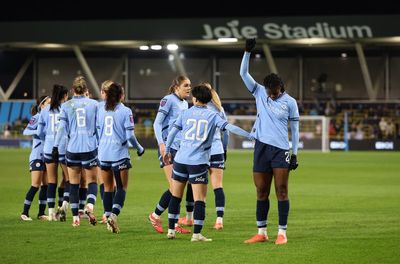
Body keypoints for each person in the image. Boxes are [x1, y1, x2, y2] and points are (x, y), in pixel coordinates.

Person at [163, 84, 252, 242]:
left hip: (180, 159)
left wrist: (168, 150)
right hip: (197, 162)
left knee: (176, 196)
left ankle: (170, 230)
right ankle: (196, 234)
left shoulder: (185, 113)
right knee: (200, 199)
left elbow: (172, 133)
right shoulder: (212, 116)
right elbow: (229, 128)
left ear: (194, 98)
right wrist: (250, 135)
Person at [240, 38, 299, 245]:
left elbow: (295, 128)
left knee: (281, 190)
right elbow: (243, 74)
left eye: (273, 92)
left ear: (280, 88)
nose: (270, 95)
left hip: (281, 149)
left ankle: (282, 232)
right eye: (268, 92)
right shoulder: (259, 92)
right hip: (261, 148)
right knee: (261, 190)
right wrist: (247, 52)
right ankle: (262, 232)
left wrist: (294, 153)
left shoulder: (290, 102)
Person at [177, 82, 229, 230]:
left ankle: (189, 218)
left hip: (199, 152)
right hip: (217, 150)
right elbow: (227, 132)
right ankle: (219, 220)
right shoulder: (219, 109)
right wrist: (224, 150)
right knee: (218, 186)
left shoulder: (194, 109)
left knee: (191, 184)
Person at [97, 81, 145, 233]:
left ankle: (107, 218)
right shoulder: (125, 111)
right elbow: (130, 135)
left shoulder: (101, 110)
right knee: (122, 187)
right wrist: (139, 148)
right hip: (119, 154)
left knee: (107, 187)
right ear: (121, 96)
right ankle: (114, 215)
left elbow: (98, 132)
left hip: (103, 154)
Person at [52, 76, 99, 227]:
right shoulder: (94, 104)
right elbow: (99, 128)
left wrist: (55, 146)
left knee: (73, 184)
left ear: (73, 90)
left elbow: (61, 129)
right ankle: (89, 206)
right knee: (92, 181)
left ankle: (75, 220)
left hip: (71, 149)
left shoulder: (66, 106)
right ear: (86, 90)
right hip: (89, 148)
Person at [148, 76, 192, 235]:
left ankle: (155, 215)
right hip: (168, 148)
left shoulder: (185, 103)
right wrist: (161, 144)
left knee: (176, 187)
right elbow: (157, 123)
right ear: (176, 87)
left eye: (190, 85)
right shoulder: (168, 100)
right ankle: (172, 223)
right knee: (175, 188)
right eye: (186, 85)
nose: (189, 88)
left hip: (180, 149)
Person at [37, 85, 70, 221]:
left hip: (48, 149)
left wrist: (48, 139)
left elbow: (39, 132)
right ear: (64, 96)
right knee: (69, 179)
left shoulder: (44, 111)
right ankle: (63, 207)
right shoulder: (66, 109)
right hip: (62, 148)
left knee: (52, 181)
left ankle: (51, 213)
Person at [20, 95, 51, 221]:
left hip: (47, 156)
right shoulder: (37, 117)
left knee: (46, 185)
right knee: (35, 185)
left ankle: (41, 213)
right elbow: (25, 131)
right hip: (37, 155)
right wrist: (37, 131)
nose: (50, 105)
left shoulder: (50, 119)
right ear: (42, 105)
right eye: (48, 103)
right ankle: (25, 213)